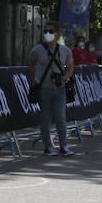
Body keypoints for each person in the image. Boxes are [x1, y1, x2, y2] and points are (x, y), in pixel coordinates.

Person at [29, 21, 74, 156]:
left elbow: (70, 66)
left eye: (50, 31)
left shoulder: (65, 50)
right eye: (45, 31)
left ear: (58, 33)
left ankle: (64, 146)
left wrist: (66, 77)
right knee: (46, 118)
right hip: (43, 89)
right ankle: (48, 146)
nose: (47, 34)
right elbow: (31, 64)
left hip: (60, 89)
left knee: (60, 117)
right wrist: (34, 81)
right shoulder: (37, 50)